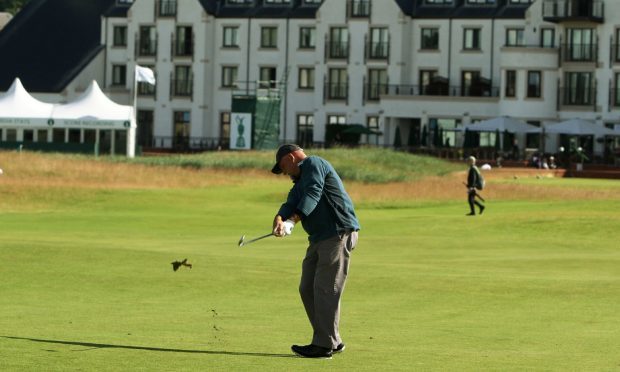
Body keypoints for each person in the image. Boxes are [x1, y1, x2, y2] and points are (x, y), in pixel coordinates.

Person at [271, 144, 360, 359]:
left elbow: (314, 193)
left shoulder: (313, 163)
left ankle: (323, 345)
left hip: (337, 233)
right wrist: (280, 218)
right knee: (307, 287)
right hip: (319, 238)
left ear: (292, 158)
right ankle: (332, 339)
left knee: (325, 289)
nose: (284, 173)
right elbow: (292, 201)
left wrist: (293, 219)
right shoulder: (299, 180)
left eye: (283, 167)